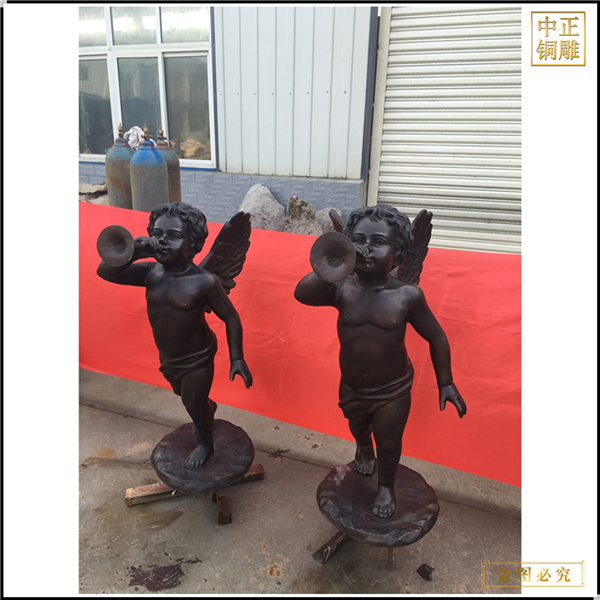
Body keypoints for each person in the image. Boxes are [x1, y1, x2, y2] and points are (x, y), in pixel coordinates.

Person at [294, 205, 466, 518]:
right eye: (358, 241)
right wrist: (331, 265)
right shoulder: (342, 289)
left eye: (378, 243)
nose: (366, 249)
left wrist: (446, 382)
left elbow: (437, 337)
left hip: (392, 389)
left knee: (388, 440)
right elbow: (302, 295)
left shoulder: (407, 296)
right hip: (352, 386)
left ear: (398, 253)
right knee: (358, 426)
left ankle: (386, 487)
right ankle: (363, 447)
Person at [97, 203, 253, 469]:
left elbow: (231, 317)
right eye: (157, 234)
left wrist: (237, 358)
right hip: (169, 357)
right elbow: (105, 271)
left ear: (193, 244)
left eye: (173, 236)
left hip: (198, 356)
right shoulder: (150, 273)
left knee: (192, 402)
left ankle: (205, 444)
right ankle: (206, 409)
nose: (161, 242)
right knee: (184, 395)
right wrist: (134, 252)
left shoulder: (204, 281)